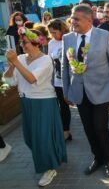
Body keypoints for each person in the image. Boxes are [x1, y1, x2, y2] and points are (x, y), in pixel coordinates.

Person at [62, 4, 109, 178]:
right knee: (88, 128)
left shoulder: (105, 36)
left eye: (76, 19)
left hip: (101, 91)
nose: (72, 22)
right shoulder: (68, 38)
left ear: (89, 20)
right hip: (79, 92)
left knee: (100, 127)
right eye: (72, 17)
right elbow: (65, 67)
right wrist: (66, 92)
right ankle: (98, 158)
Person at [3, 28, 67, 186]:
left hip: (43, 102)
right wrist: (12, 65)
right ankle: (47, 158)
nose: (21, 44)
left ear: (35, 43)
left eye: (24, 42)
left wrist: (16, 62)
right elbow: (9, 80)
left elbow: (31, 79)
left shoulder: (45, 60)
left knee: (42, 138)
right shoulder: (21, 58)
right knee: (30, 137)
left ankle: (49, 167)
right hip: (26, 102)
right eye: (21, 42)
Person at [47, 19, 73, 141]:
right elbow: (50, 61)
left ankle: (66, 130)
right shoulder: (51, 43)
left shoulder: (69, 39)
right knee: (61, 106)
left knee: (66, 104)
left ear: (62, 30)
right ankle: (65, 131)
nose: (52, 35)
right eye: (51, 32)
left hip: (70, 78)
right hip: (57, 80)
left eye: (54, 32)